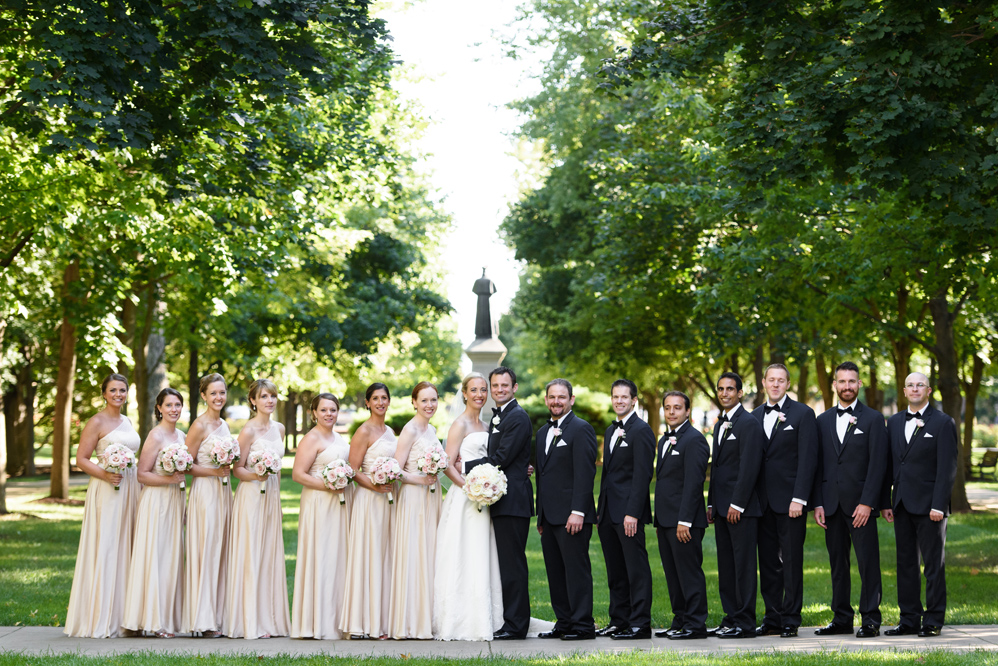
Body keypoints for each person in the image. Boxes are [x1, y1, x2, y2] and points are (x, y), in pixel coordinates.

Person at [813, 361, 888, 638]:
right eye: (842, 381)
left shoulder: (873, 419)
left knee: (868, 562)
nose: (847, 386)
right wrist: (818, 503)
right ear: (834, 384)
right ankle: (841, 618)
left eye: (852, 381)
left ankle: (870, 619)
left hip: (861, 507)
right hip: (831, 505)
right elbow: (817, 465)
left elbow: (878, 465)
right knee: (838, 564)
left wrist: (868, 502)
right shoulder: (821, 421)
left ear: (859, 384)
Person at [65, 373, 141, 638]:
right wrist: (106, 474)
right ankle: (101, 617)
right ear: (104, 393)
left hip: (130, 488)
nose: (118, 394)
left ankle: (125, 616)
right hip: (107, 487)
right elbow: (81, 459)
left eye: (122, 390)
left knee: (128, 546)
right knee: (108, 546)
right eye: (113, 390)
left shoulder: (127, 421)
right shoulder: (96, 421)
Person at [883, 372, 958, 638]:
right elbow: (890, 465)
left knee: (933, 565)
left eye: (920, 385)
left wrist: (939, 504)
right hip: (901, 504)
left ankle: (934, 620)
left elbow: (947, 468)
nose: (915, 389)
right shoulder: (892, 423)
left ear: (928, 390)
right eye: (910, 385)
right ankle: (909, 619)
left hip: (931, 508)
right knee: (905, 564)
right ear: (904, 391)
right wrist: (886, 502)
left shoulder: (942, 423)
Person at [462, 367, 534, 640]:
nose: (499, 389)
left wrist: (464, 464)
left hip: (513, 501)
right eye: (495, 385)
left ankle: (516, 627)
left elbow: (501, 456)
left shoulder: (517, 417)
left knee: (513, 564)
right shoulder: (501, 416)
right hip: (501, 499)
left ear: (515, 387)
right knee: (505, 564)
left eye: (505, 385)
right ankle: (510, 621)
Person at [433, 373, 503, 641]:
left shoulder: (486, 426)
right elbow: (447, 464)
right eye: (474, 390)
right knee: (462, 552)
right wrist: (467, 488)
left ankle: (487, 616)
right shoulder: (459, 424)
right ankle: (458, 617)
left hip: (485, 498)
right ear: (464, 393)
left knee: (482, 552)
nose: (479, 394)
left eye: (483, 390)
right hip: (465, 498)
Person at [750, 363, 818, 638]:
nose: (776, 384)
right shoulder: (753, 416)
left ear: (788, 384)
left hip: (791, 502)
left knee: (791, 561)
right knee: (767, 563)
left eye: (781, 380)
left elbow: (808, 459)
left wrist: (799, 498)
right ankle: (772, 617)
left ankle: (791, 618)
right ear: (763, 383)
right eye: (771, 380)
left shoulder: (803, 414)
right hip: (761, 503)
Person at [224, 378, 290, 639]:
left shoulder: (281, 428)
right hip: (251, 495)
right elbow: (236, 469)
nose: (269, 401)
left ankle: (270, 621)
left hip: (271, 496)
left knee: (269, 555)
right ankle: (250, 621)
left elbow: (280, 467)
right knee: (252, 553)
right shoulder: (248, 430)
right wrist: (257, 475)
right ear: (253, 401)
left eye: (272, 396)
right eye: (263, 397)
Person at [534, 378, 598, 641]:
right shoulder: (541, 433)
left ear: (571, 400)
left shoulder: (581, 429)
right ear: (546, 400)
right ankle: (564, 622)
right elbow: (542, 475)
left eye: (562, 397)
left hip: (573, 515)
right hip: (549, 516)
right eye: (552, 397)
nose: (556, 401)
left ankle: (583, 625)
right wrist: (540, 515)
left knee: (576, 571)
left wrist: (578, 511)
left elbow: (586, 473)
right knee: (556, 573)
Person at [122, 388, 188, 637]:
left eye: (178, 405)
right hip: (156, 501)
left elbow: (181, 474)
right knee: (156, 557)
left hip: (175, 500)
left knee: (171, 558)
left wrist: (182, 499)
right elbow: (142, 474)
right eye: (169, 405)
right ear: (159, 408)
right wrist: (170, 481)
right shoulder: (156, 435)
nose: (174, 409)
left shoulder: (181, 436)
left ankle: (167, 618)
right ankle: (152, 621)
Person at [595, 379, 654, 640]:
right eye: (615, 396)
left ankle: (640, 624)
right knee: (615, 570)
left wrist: (633, 512)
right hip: (608, 512)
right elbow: (607, 475)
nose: (619, 401)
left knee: (636, 570)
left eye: (624, 397)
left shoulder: (641, 430)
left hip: (628, 513)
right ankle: (619, 620)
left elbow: (643, 476)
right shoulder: (611, 431)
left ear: (634, 401)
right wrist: (601, 512)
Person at [706, 371, 764, 639]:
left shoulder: (748, 423)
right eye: (721, 389)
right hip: (720, 508)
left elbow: (749, 467)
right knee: (726, 566)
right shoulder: (721, 424)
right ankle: (730, 618)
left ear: (740, 393)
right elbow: (717, 469)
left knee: (743, 567)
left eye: (730, 389)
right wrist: (711, 503)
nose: (724, 393)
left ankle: (745, 622)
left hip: (741, 510)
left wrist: (737, 504)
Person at [291, 393, 352, 639]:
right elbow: (298, 474)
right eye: (324, 410)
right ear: (314, 413)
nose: (329, 414)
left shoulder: (340, 438)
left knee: (338, 558)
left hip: (340, 504)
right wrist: (327, 484)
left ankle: (336, 621)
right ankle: (316, 623)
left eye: (333, 410)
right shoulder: (311, 438)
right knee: (321, 556)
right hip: (318, 503)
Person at [340, 383, 398, 639]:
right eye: (375, 398)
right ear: (367, 402)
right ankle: (365, 624)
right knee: (370, 556)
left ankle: (382, 621)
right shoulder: (363, 431)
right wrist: (375, 485)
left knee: (385, 557)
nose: (380, 402)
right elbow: (352, 470)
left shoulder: (390, 432)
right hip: (369, 500)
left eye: (384, 397)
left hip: (388, 500)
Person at [388, 382, 444, 639]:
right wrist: (420, 480)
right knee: (415, 552)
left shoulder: (432, 429)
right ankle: (410, 621)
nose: (429, 405)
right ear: (414, 402)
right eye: (424, 401)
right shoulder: (410, 430)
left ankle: (430, 615)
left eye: (433, 400)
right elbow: (396, 470)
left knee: (431, 553)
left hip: (432, 498)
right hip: (413, 497)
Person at [654, 391, 710, 640]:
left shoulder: (695, 440)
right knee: (673, 574)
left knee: (689, 573)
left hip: (684, 521)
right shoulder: (664, 440)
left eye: (677, 408)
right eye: (668, 408)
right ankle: (680, 619)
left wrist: (684, 520)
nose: (672, 412)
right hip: (665, 519)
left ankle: (696, 624)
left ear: (688, 411)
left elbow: (693, 483)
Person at [182, 373, 233, 637]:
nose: (218, 397)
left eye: (222, 392)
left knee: (222, 551)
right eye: (213, 393)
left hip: (224, 493)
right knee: (208, 551)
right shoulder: (199, 425)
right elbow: (186, 464)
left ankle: (219, 615)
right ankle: (203, 621)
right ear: (203, 396)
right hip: (205, 493)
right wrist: (215, 473)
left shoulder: (224, 424)